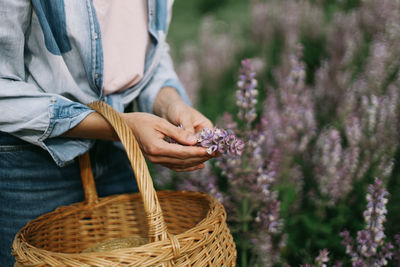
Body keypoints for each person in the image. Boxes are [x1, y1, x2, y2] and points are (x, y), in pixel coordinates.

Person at [0, 1, 214, 265]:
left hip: (117, 151)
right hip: (29, 159)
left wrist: (171, 103)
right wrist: (120, 127)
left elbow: (144, 53)